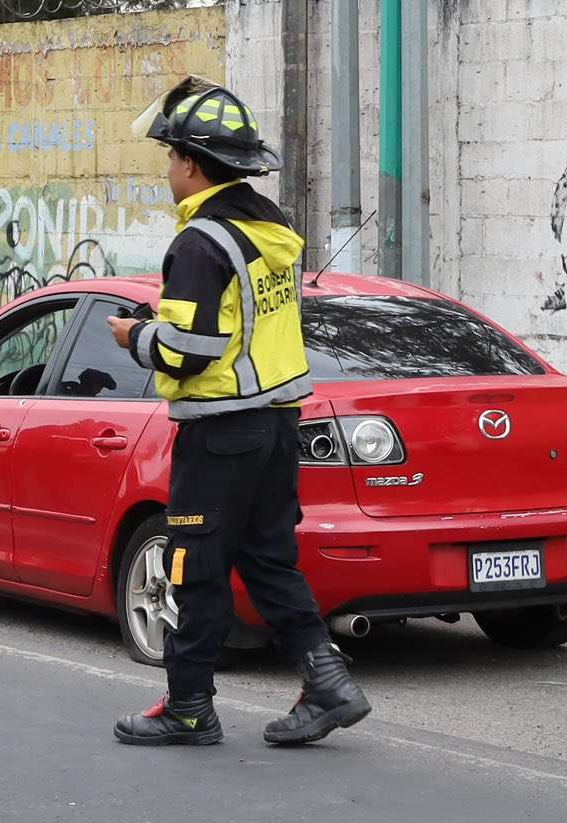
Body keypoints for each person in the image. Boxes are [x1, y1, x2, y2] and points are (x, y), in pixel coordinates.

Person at [105, 76, 369, 749]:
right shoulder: (268, 226)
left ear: (191, 166)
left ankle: (190, 705)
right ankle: (328, 681)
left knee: (194, 567)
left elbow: (189, 352)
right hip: (278, 423)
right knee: (269, 559)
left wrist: (135, 336)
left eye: (169, 158)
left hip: (220, 429)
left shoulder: (199, 243)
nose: (166, 169)